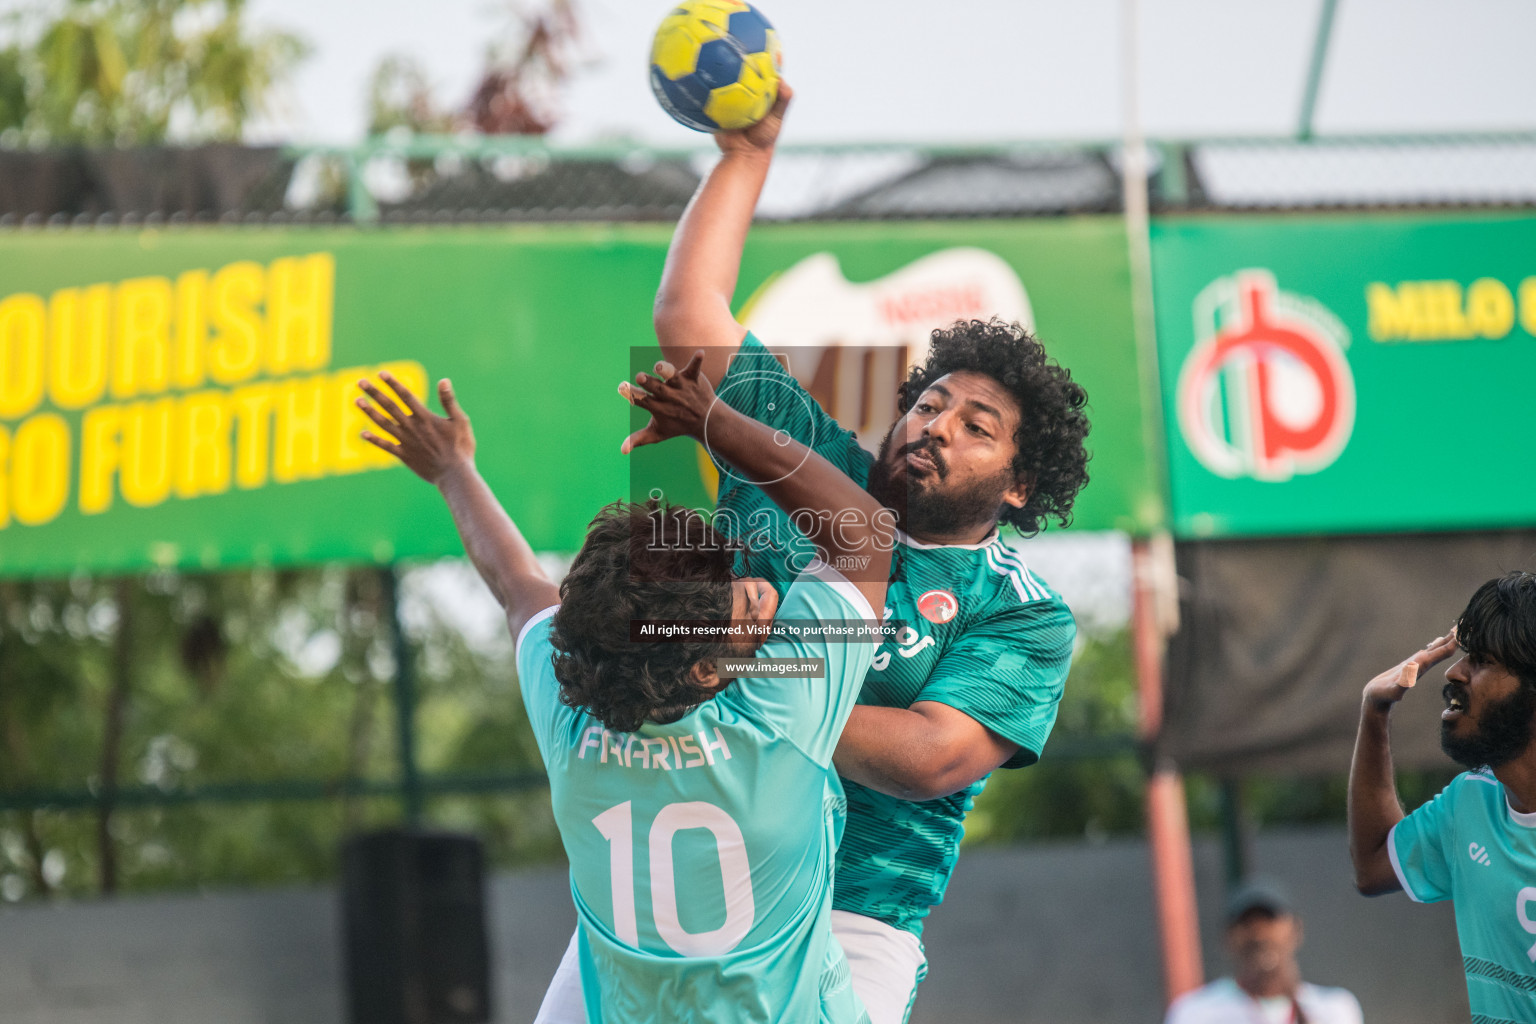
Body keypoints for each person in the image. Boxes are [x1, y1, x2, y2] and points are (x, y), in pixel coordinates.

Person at [539, 86, 1092, 1024]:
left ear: (1018, 487)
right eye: (928, 401)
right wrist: (746, 157)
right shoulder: (800, 453)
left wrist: (722, 663)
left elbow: (929, 759)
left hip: (853, 917)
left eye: (976, 425)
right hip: (680, 872)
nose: (935, 425)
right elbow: (687, 313)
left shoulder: (1025, 614)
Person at [354, 361, 893, 1023]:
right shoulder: (783, 717)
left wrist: (451, 471)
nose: (761, 596)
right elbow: (864, 533)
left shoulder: (571, 726)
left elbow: (516, 585)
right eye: (741, 604)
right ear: (703, 672)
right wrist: (713, 423)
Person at [1348, 571, 1536, 1023]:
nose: (1454, 671)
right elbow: (1373, 863)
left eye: (1483, 661)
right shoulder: (1470, 804)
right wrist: (1375, 711)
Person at [1163, 880, 1363, 1024]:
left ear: (1296, 930)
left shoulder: (1334, 1007)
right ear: (1227, 937)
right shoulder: (1196, 1012)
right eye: (1246, 923)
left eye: (1270, 920)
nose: (1258, 934)